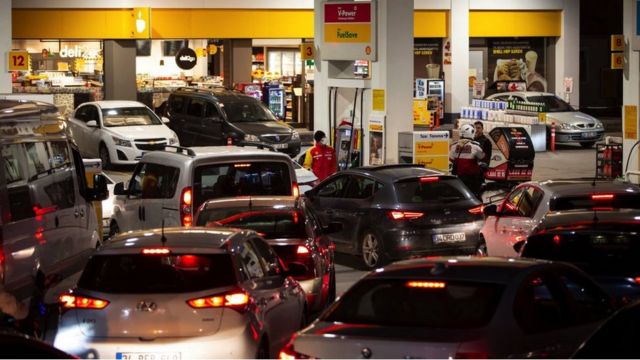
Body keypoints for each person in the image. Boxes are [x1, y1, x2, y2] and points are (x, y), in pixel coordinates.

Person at [450, 124, 485, 197]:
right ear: (471, 133)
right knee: (476, 196)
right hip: (472, 179)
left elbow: (451, 159)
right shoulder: (475, 146)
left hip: (459, 178)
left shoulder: (454, 146)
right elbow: (482, 157)